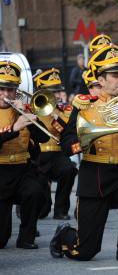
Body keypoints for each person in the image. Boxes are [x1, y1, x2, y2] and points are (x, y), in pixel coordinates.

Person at [49, 43, 118, 262]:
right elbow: (67, 141)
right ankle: (63, 235)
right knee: (85, 251)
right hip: (94, 172)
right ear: (101, 79)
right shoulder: (84, 104)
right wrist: (79, 145)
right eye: (114, 75)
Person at [0, 61, 49, 249]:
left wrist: (27, 116)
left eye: (10, 89)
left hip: (22, 168)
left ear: (16, 90)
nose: (6, 94)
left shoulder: (22, 110)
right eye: (1, 89)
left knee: (35, 192)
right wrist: (13, 128)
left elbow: (44, 138)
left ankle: (26, 237)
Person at [33, 69, 78, 220]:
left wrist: (53, 115)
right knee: (42, 211)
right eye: (54, 92)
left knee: (69, 170)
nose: (58, 95)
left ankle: (61, 209)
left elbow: (66, 131)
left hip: (57, 153)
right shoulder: (31, 108)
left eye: (59, 91)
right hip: (38, 155)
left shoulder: (64, 111)